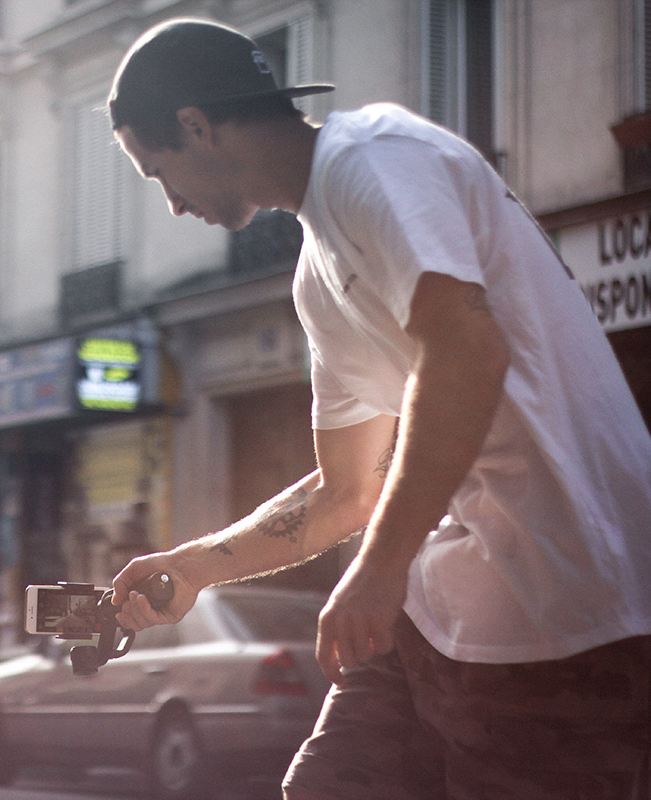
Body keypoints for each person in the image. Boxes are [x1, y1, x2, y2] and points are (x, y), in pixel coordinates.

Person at [106, 17, 651, 800]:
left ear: (197, 126)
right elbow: (345, 492)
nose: (173, 204)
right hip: (440, 613)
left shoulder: (376, 157)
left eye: (160, 172)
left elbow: (467, 349)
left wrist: (380, 567)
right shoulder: (316, 273)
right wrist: (192, 568)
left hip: (573, 618)